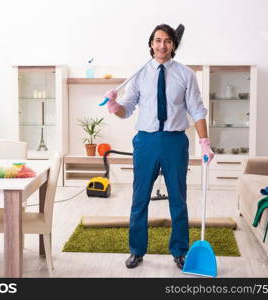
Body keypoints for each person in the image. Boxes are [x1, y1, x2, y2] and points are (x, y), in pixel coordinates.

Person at [105, 24, 214, 270]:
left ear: (173, 45)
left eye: (167, 41)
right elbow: (128, 108)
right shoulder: (139, 74)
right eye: (157, 40)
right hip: (146, 141)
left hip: (175, 141)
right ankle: (137, 250)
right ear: (151, 44)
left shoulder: (186, 74)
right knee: (139, 197)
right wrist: (114, 105)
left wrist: (204, 143)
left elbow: (196, 110)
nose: (162, 45)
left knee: (178, 199)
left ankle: (180, 251)